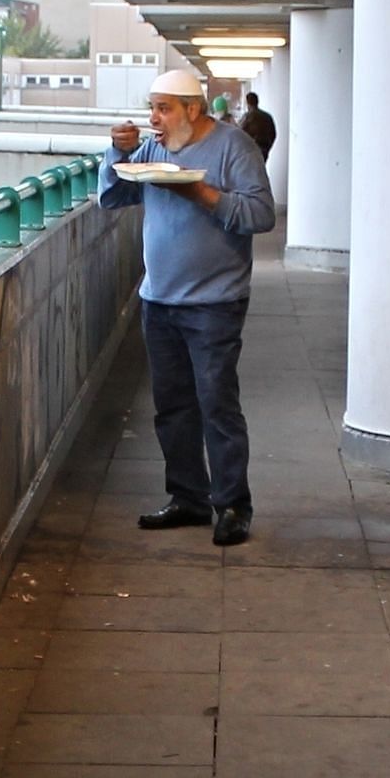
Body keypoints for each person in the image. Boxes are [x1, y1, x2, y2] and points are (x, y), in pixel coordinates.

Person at [100, 69, 276, 546]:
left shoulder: (233, 148)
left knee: (216, 402)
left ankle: (233, 504)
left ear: (192, 110)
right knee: (173, 407)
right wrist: (116, 154)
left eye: (163, 108)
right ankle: (188, 496)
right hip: (158, 299)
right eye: (151, 107)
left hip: (214, 302)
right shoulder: (153, 149)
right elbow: (112, 196)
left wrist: (198, 193)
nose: (153, 119)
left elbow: (261, 215)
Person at [239, 90, 278, 159]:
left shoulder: (247, 117)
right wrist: (267, 148)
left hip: (250, 151)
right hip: (264, 150)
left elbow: (239, 133)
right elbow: (273, 134)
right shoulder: (268, 117)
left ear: (247, 103)